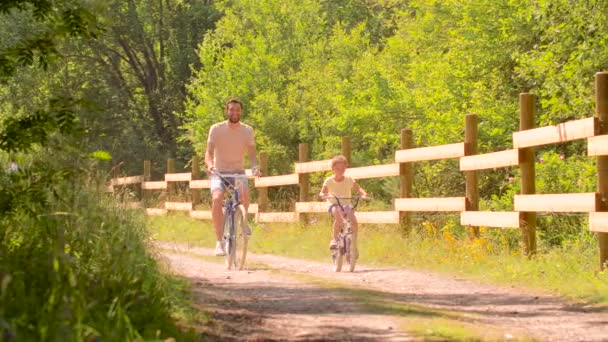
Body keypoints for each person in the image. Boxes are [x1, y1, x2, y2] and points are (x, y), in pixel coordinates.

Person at [205, 98, 260, 256]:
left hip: (238, 171)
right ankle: (219, 242)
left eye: (237, 110)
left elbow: (252, 154)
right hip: (219, 172)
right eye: (231, 109)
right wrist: (210, 165)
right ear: (226, 111)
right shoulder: (216, 129)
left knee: (244, 194)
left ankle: (243, 220)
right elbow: (208, 152)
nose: (234, 112)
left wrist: (254, 167)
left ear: (241, 112)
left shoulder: (247, 130)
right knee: (217, 199)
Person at [319, 155, 368, 255]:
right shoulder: (329, 180)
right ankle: (334, 239)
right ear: (333, 168)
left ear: (346, 168)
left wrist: (363, 194)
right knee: (339, 218)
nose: (340, 170)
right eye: (337, 168)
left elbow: (358, 188)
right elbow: (322, 192)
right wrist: (323, 195)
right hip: (334, 204)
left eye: (343, 168)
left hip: (346, 204)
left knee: (354, 222)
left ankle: (353, 245)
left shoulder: (349, 179)